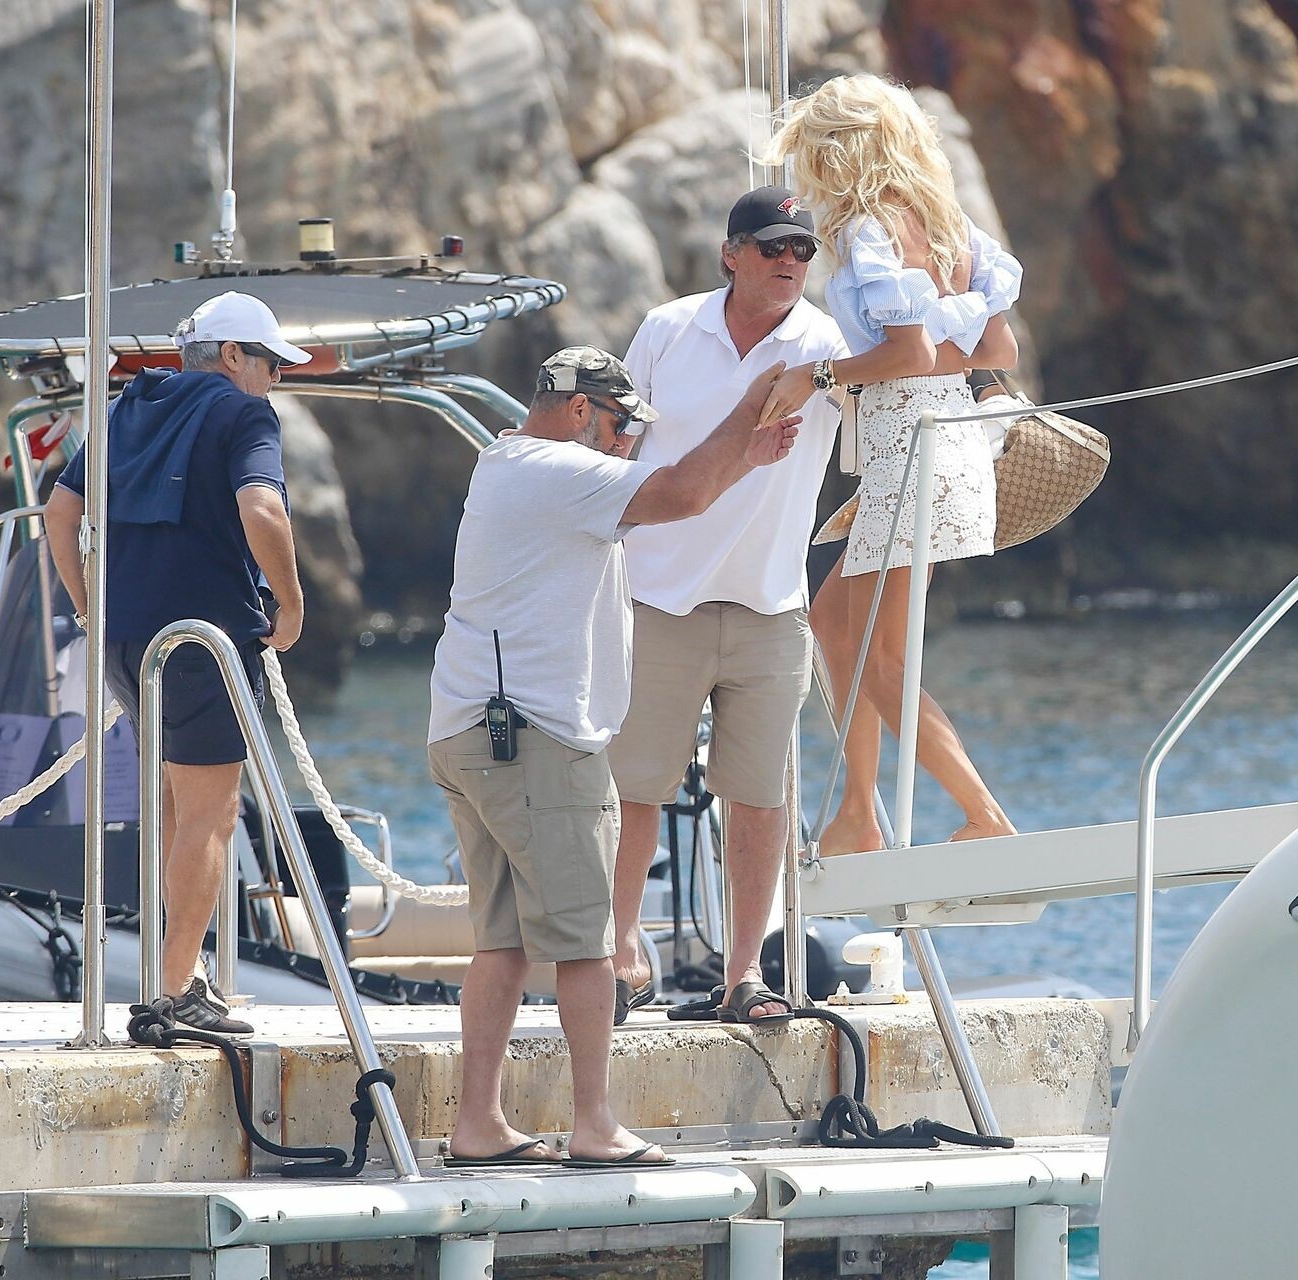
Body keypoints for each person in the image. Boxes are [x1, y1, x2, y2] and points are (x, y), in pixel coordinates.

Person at [427, 347, 800, 1168]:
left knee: (502, 943)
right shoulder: (560, 470)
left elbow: (682, 493)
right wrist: (751, 407)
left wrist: (744, 457)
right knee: (591, 945)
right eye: (622, 422)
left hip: (471, 731)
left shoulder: (505, 461)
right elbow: (681, 494)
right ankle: (594, 1125)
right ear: (576, 411)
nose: (629, 440)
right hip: (535, 741)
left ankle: (478, 1123)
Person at [762, 74, 1025, 855]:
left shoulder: (871, 229)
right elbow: (998, 350)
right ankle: (858, 814)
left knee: (883, 660)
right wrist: (913, 365)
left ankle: (985, 816)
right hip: (944, 444)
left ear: (840, 153)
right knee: (833, 623)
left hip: (911, 450)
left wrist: (817, 376)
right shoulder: (950, 228)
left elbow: (906, 354)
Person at [607, 187, 850, 1028]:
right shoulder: (667, 329)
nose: (790, 261)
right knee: (633, 788)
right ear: (731, 253)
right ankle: (620, 952)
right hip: (656, 595)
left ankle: (745, 974)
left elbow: (912, 358)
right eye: (773, 246)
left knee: (759, 797)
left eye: (803, 250)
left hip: (771, 605)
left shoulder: (825, 346)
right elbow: (618, 444)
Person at [43, 290, 312, 1033]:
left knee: (170, 806)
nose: (275, 379)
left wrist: (89, 607)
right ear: (231, 356)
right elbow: (262, 509)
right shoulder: (244, 415)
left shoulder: (127, 408)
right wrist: (291, 605)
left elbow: (60, 512)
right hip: (202, 643)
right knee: (211, 812)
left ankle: (177, 973)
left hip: (126, 642)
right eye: (269, 363)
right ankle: (173, 992)